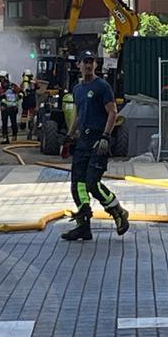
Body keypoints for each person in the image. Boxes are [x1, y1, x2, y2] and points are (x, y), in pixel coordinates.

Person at [60, 51, 130, 241]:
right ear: (79, 65)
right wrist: (68, 137)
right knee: (78, 185)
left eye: (92, 62)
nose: (89, 65)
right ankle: (83, 225)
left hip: (98, 141)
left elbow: (113, 112)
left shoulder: (102, 87)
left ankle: (118, 212)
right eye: (85, 62)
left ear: (96, 65)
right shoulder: (77, 89)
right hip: (83, 141)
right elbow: (78, 115)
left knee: (92, 183)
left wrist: (106, 136)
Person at [0, 70, 21, 143]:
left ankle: (14, 136)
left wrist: (19, 97)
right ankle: (5, 138)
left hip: (12, 107)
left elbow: (21, 92)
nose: (1, 80)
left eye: (2, 78)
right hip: (4, 108)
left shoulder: (13, 86)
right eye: (0, 78)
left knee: (13, 122)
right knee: (4, 123)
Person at [20, 69, 37, 136]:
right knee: (31, 113)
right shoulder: (34, 82)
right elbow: (38, 87)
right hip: (32, 99)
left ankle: (23, 125)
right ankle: (30, 124)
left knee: (24, 112)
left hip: (26, 99)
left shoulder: (23, 83)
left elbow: (21, 88)